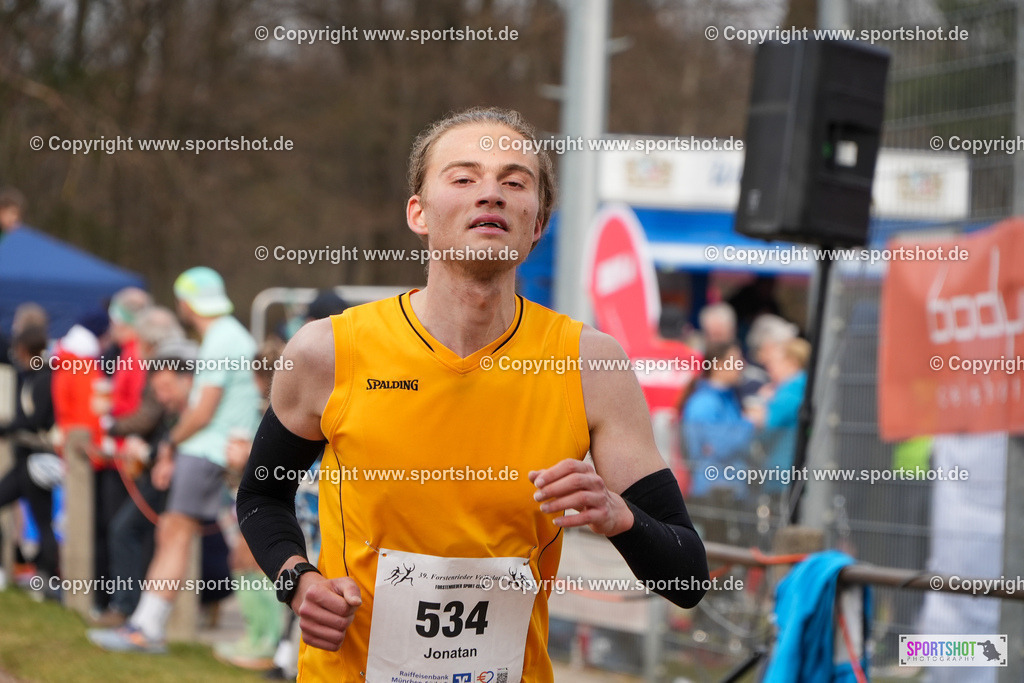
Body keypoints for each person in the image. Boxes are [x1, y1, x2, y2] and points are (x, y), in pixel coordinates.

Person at [235, 107, 709, 682]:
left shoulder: (590, 365)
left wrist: (618, 513)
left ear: (537, 225)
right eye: (463, 178)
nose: (491, 193)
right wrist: (297, 580)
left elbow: (687, 576)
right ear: (419, 213)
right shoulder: (327, 353)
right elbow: (262, 498)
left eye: (515, 182)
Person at [88, 266, 262, 653]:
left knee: (175, 537)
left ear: (187, 301)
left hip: (207, 451)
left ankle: (147, 629)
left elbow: (203, 411)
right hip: (214, 450)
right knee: (172, 533)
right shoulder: (230, 334)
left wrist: (168, 446)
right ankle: (145, 625)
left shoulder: (220, 338)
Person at [679, 341, 756, 545]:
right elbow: (720, 447)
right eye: (737, 360)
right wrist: (749, 425)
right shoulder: (704, 403)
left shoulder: (729, 399)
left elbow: (720, 444)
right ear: (720, 364)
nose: (742, 365)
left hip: (730, 493)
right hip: (712, 494)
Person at [0, 325, 57, 592]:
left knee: (42, 518)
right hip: (26, 460)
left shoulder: (44, 377)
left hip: (37, 460)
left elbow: (36, 419)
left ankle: (46, 573)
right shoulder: (32, 375)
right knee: (41, 517)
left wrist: (8, 427)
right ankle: (37, 568)